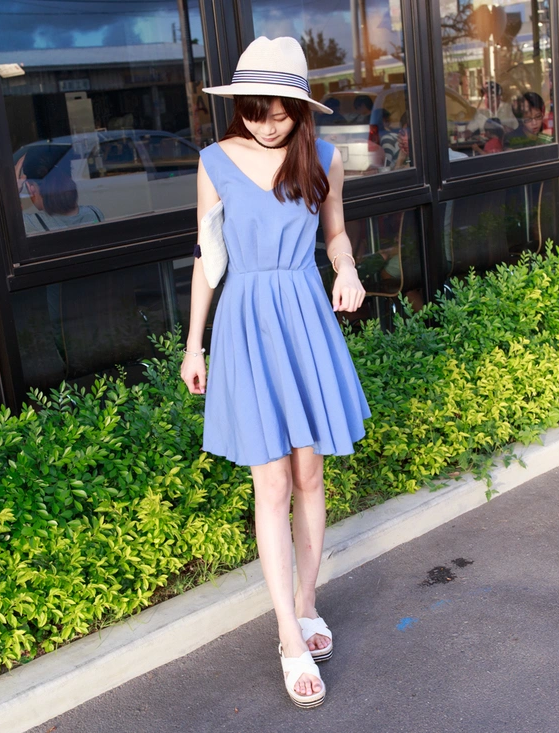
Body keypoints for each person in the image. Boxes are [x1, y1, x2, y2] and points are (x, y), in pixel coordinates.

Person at [182, 36, 372, 709]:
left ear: (300, 110)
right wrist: (194, 346)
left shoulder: (324, 158)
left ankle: (307, 601)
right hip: (247, 324)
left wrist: (346, 268)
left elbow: (336, 233)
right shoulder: (214, 161)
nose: (267, 124)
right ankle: (290, 635)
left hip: (304, 317)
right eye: (256, 111)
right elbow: (208, 257)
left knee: (310, 475)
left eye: (280, 112)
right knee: (272, 483)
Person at [16, 147, 105, 234]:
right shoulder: (95, 214)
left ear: (31, 188)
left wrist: (13, 190)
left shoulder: (30, 225)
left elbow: (10, 220)